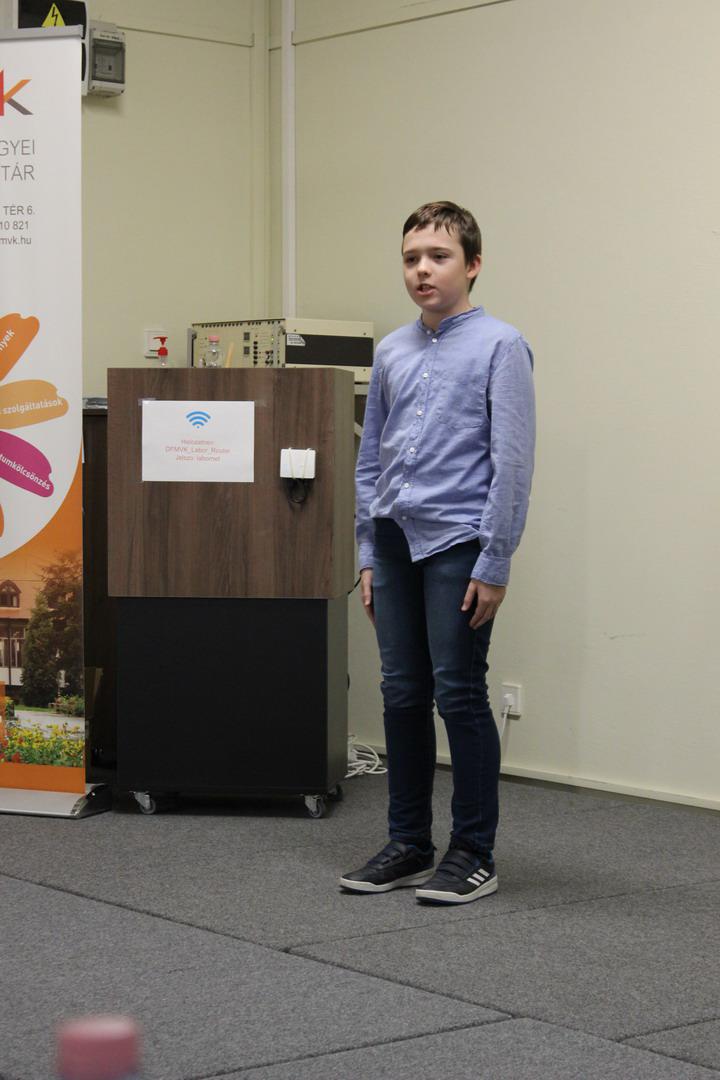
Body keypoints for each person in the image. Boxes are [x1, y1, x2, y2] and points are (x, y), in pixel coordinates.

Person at [340, 201, 535, 904]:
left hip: (459, 542)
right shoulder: (392, 350)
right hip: (394, 541)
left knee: (458, 692)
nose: (422, 270)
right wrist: (368, 550)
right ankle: (409, 845)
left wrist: (495, 560)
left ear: (473, 265)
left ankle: (473, 853)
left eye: (439, 257)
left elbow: (512, 463)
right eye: (411, 258)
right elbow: (371, 459)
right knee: (400, 693)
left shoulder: (502, 346)